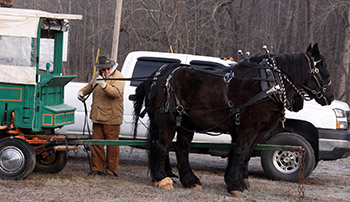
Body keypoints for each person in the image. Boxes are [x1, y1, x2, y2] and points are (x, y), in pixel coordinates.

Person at [78, 56, 124, 177]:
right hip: (97, 116)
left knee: (112, 146)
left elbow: (116, 93)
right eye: (103, 69)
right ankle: (97, 168)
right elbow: (91, 85)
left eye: (107, 69)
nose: (105, 71)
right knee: (96, 144)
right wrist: (82, 91)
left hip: (111, 118)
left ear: (111, 67)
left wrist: (104, 86)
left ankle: (111, 170)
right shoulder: (98, 75)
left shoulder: (118, 76)